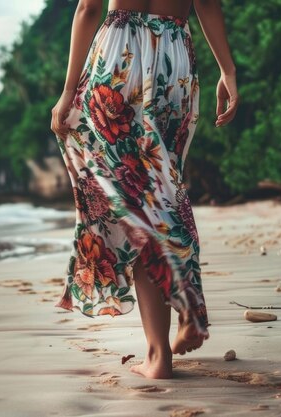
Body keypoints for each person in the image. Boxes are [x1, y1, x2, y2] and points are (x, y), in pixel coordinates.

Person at [50, 0, 238, 379]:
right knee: (161, 192)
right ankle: (177, 322)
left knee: (132, 201)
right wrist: (228, 71)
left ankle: (164, 345)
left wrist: (68, 90)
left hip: (117, 57)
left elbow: (88, 7)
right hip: (174, 59)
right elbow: (207, 3)